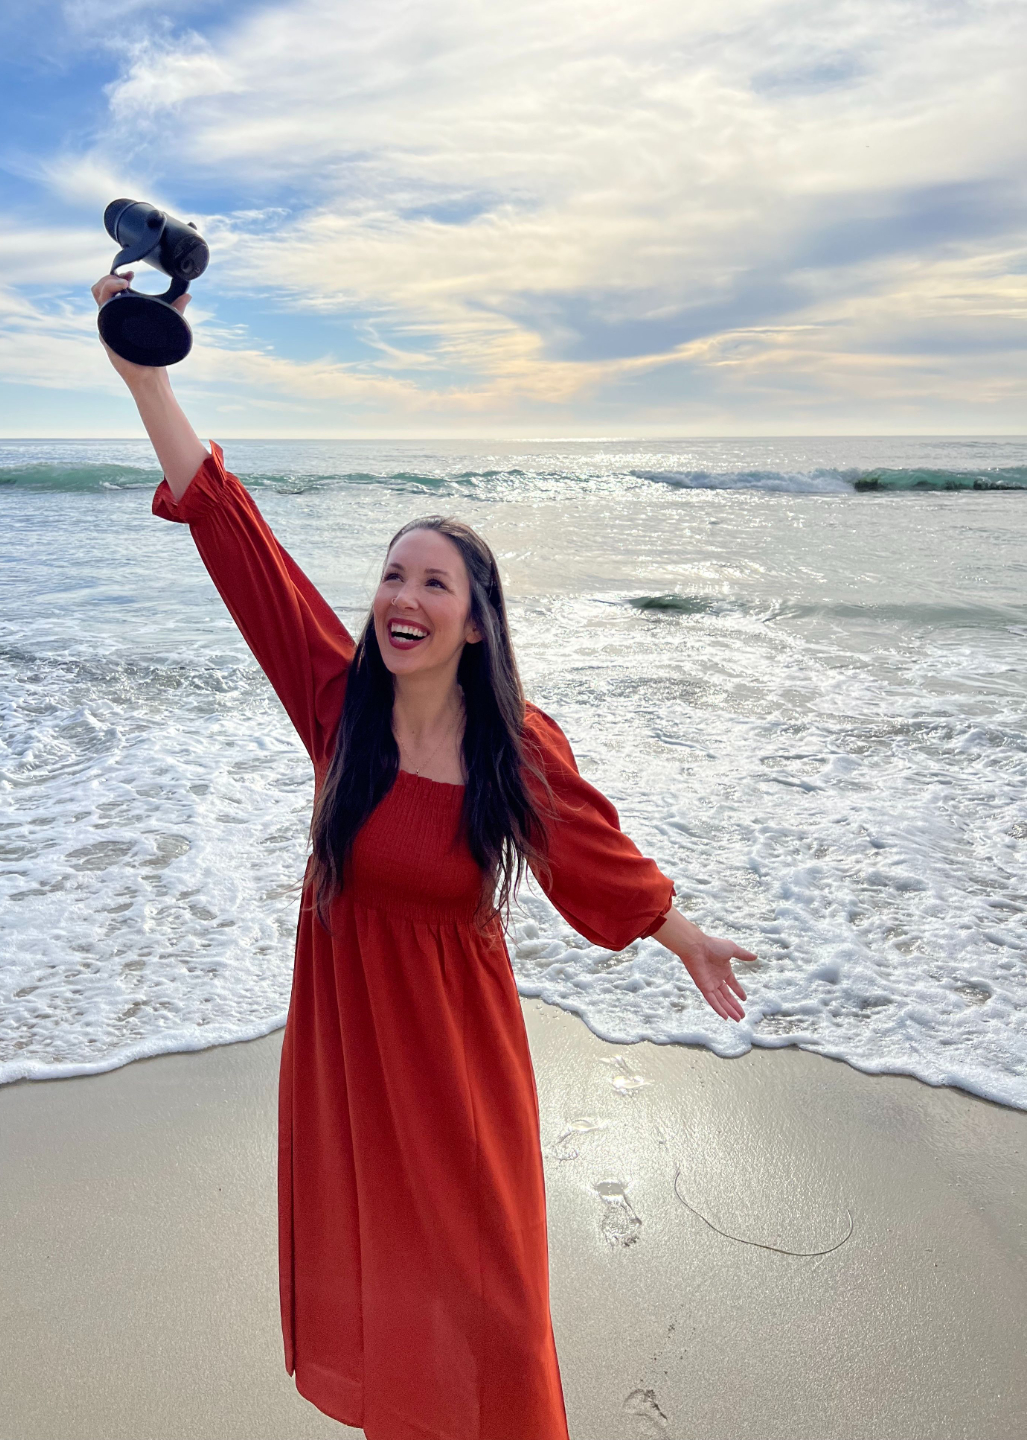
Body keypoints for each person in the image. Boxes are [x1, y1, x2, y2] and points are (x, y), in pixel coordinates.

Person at [92, 272, 757, 1440]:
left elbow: (592, 854)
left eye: (432, 582)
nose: (402, 596)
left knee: (495, 1303)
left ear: (476, 619)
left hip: (459, 1060)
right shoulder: (337, 702)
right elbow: (235, 536)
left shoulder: (515, 746)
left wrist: (679, 930)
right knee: (388, 1291)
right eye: (392, 575)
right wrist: (147, 379)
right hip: (354, 1048)